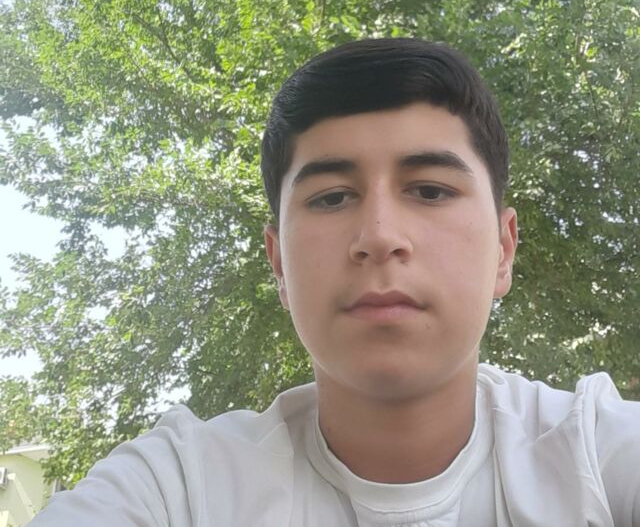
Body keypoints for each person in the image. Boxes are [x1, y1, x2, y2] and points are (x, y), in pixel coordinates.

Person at [31, 38, 640, 525]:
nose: (379, 235)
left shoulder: (595, 455)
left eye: (430, 190)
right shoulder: (181, 487)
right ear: (278, 264)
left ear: (503, 250)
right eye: (330, 197)